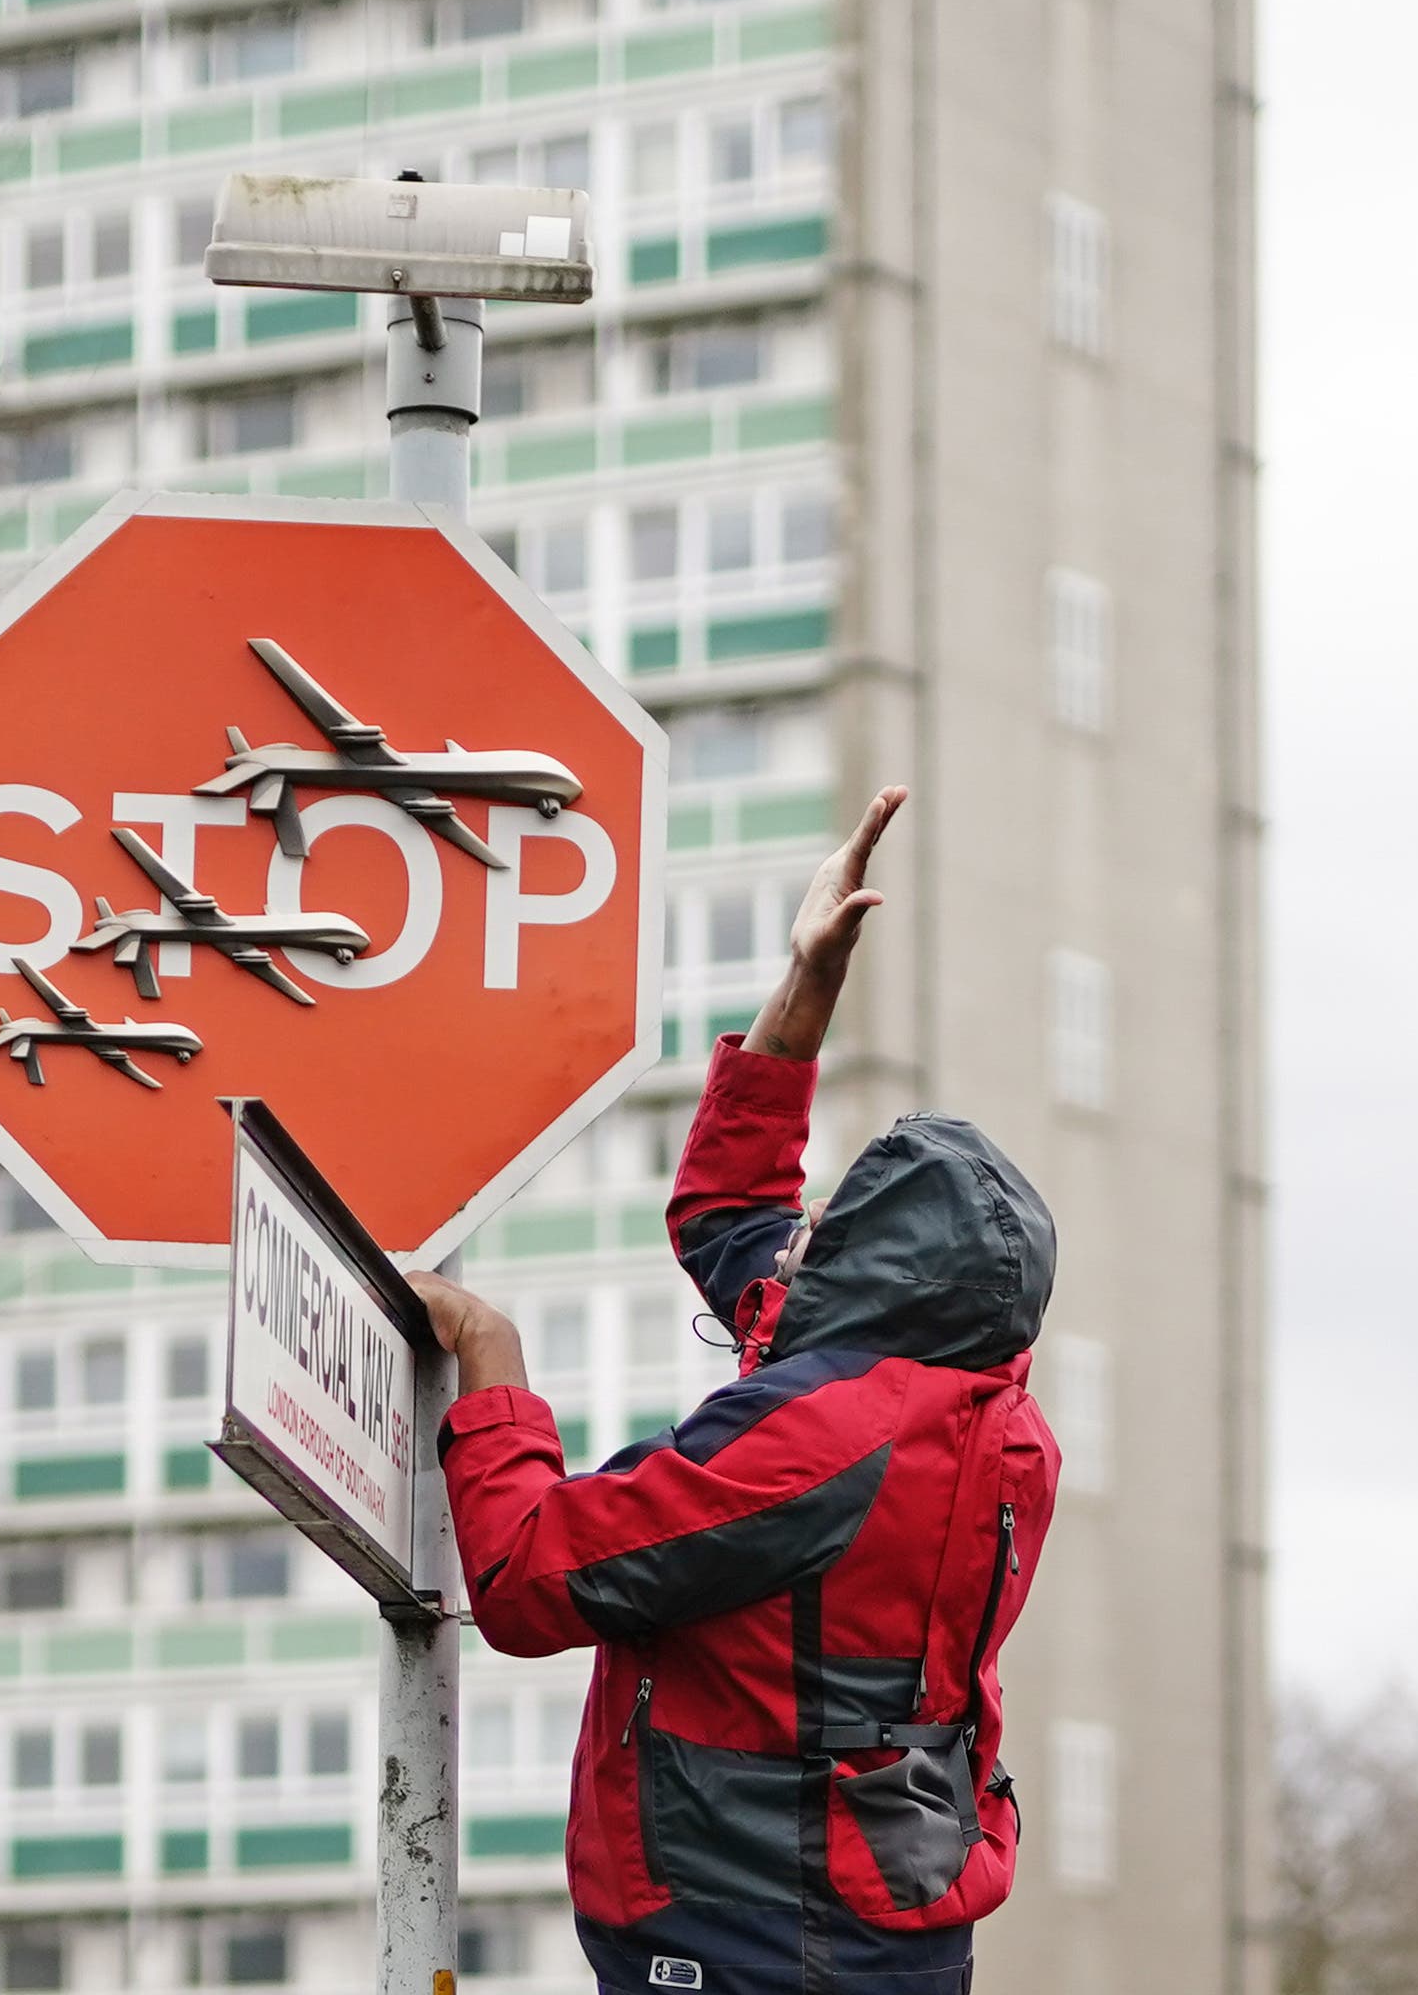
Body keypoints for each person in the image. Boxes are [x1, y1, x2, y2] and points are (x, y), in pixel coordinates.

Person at [408, 786, 1061, 1995]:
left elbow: (528, 1576)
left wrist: (486, 1354)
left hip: (758, 1935)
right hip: (859, 1913)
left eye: (834, 1218)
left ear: (877, 1274)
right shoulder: (973, 1413)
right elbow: (729, 1213)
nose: (801, 1224)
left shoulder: (821, 1441)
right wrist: (804, 988)